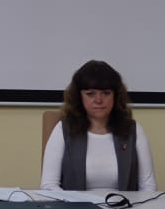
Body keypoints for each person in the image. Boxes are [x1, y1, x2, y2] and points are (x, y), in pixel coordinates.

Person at [40, 60, 157, 191]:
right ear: (79, 97)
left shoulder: (132, 130)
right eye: (90, 94)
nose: (99, 100)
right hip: (76, 204)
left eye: (106, 93)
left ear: (116, 96)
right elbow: (49, 185)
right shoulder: (64, 129)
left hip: (124, 204)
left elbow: (148, 186)